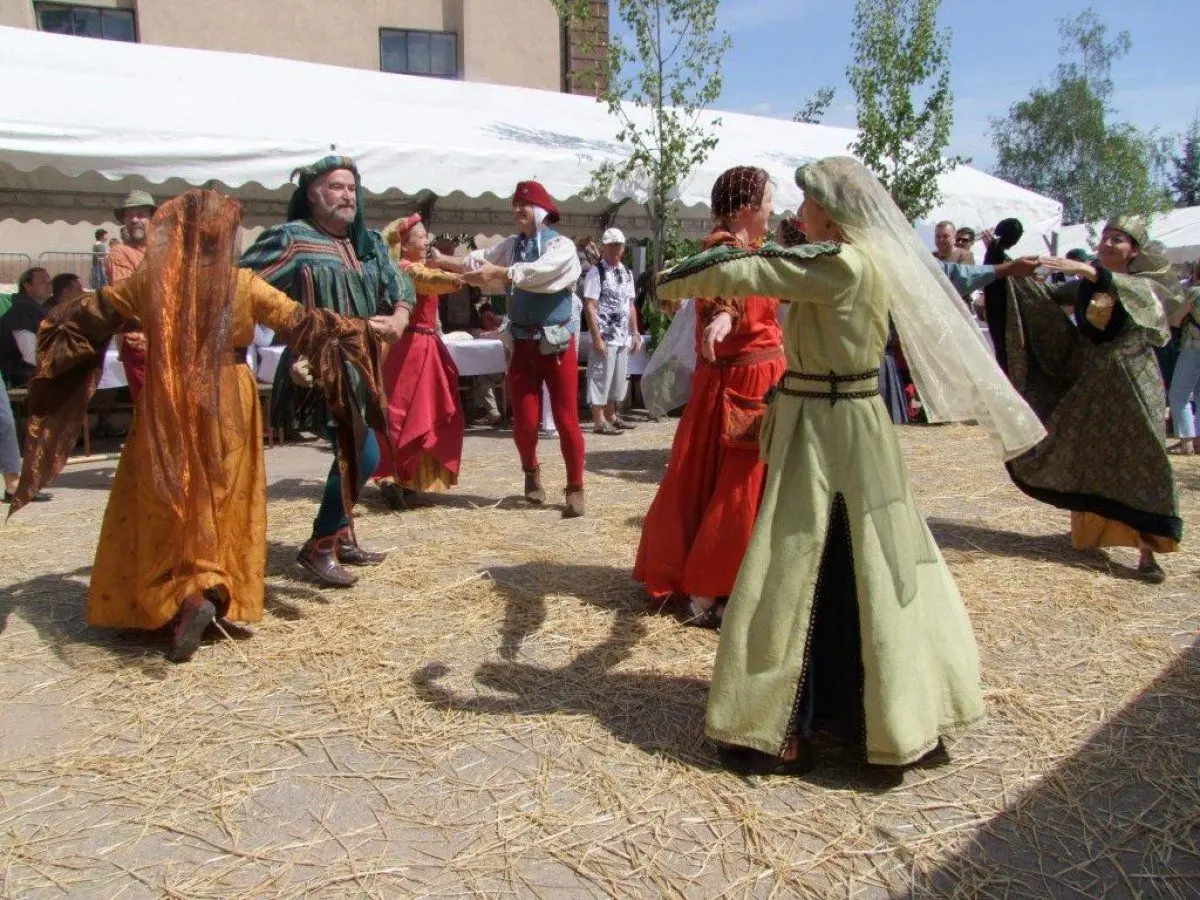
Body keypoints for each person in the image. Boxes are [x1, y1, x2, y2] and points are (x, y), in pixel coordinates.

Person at [653, 156, 1046, 776]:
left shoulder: (837, 265)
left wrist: (669, 276)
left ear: (830, 214)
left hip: (829, 430)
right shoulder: (855, 261)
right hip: (837, 422)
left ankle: (787, 719)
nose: (792, 211)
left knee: (802, 555)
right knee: (855, 557)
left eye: (804, 202)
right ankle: (861, 709)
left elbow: (745, 268)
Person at [7, 189, 388, 662]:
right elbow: (306, 324)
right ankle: (206, 587)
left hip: (167, 397)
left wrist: (57, 345)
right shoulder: (243, 283)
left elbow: (86, 318)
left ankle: (180, 595)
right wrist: (365, 331)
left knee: (168, 494)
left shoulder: (151, 283)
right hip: (229, 396)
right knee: (219, 493)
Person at [240, 155, 413, 586]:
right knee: (362, 453)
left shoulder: (367, 241)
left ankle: (340, 534)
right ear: (312, 194)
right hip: (316, 365)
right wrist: (291, 337)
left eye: (352, 187)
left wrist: (400, 317)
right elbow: (240, 286)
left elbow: (401, 284)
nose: (347, 195)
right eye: (336, 187)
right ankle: (319, 547)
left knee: (358, 450)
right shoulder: (291, 240)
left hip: (361, 366)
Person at [633, 166, 786, 626]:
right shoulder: (721, 253)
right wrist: (722, 318)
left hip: (755, 381)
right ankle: (711, 584)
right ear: (746, 209)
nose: (773, 209)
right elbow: (724, 293)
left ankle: (731, 580)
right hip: (741, 386)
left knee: (731, 483)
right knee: (736, 486)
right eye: (769, 201)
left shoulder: (753, 251)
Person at [1002, 219, 1184, 583]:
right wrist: (1004, 261)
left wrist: (1087, 269)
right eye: (1105, 237)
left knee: (1144, 455)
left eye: (1118, 239)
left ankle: (1148, 552)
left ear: (1134, 250)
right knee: (1089, 452)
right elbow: (1043, 300)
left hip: (1133, 383)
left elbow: (1130, 292)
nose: (1108, 243)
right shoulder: (1086, 284)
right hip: (1095, 384)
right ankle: (1094, 532)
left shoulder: (1141, 286)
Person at [433, 181, 586, 518]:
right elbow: (478, 261)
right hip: (522, 345)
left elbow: (540, 273)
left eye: (525, 204)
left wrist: (500, 273)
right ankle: (531, 473)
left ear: (541, 210)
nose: (518, 210)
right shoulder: (511, 246)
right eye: (515, 204)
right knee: (525, 423)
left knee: (566, 420)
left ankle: (575, 486)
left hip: (556, 344)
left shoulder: (561, 246)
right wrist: (444, 260)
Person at [374, 213, 465, 510]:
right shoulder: (405, 270)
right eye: (421, 237)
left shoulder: (419, 266)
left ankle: (410, 478)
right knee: (405, 412)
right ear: (405, 244)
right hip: (411, 347)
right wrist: (458, 278)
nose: (427, 241)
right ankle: (396, 475)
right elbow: (429, 281)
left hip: (426, 345)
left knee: (426, 411)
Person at [583, 228, 641, 435]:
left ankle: (612, 416)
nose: (616, 248)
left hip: (622, 335)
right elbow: (590, 306)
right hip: (605, 335)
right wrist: (596, 336)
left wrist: (635, 332)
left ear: (624, 248)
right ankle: (598, 421)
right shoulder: (595, 272)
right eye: (612, 245)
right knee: (600, 377)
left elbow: (630, 304)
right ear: (604, 247)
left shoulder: (627, 272)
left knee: (617, 379)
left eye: (619, 245)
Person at [106, 190, 158, 399]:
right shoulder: (120, 252)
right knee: (149, 411)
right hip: (140, 342)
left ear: (152, 218)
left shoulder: (168, 250)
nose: (134, 220)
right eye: (129, 215)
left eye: (140, 214)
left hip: (170, 343)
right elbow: (127, 297)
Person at [1167, 263, 1200, 455]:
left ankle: (1186, 440)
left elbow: (1176, 319)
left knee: (1179, 394)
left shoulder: (1194, 292)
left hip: (1193, 347)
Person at [0, 267, 52, 388]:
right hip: (21, 378)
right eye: (43, 282)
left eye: (49, 282)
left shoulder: (37, 311)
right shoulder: (20, 314)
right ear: (27, 286)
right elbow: (30, 356)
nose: (49, 285)